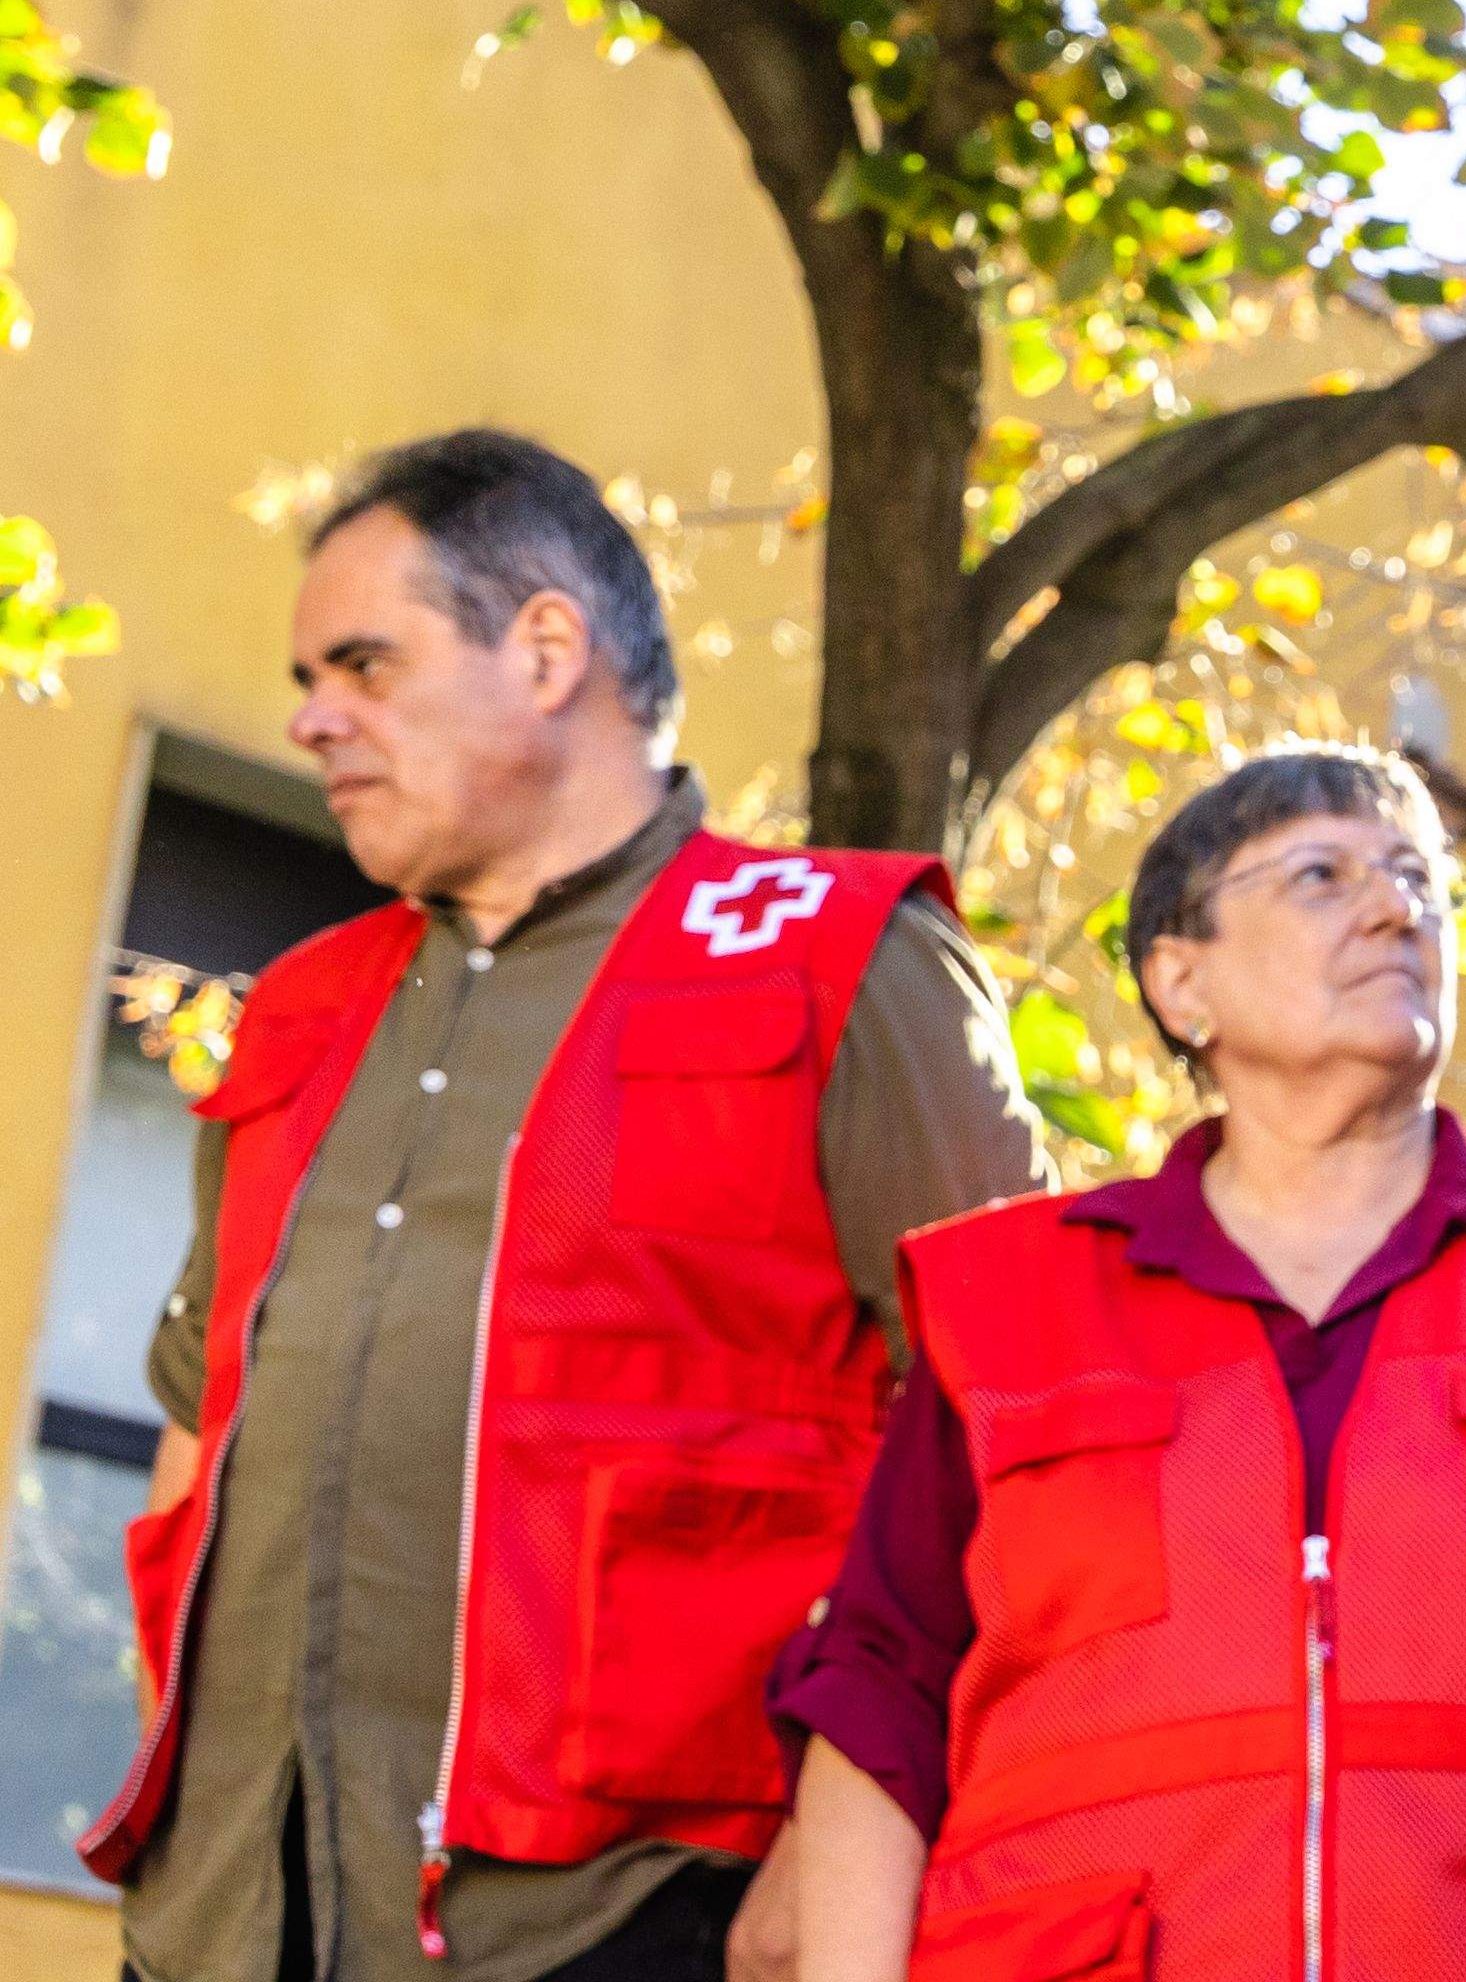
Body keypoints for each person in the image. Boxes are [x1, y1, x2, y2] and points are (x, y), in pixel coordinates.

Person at [86, 429, 1046, 1982]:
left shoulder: (848, 965)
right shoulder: (304, 1011)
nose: (311, 718)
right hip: (230, 1926)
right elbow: (201, 1429)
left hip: (637, 1924)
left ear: (545, 649)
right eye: (308, 678)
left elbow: (1018, 1447)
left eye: (365, 666)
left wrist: (838, 1861)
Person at [756, 745, 1466, 1977]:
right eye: (1321, 875)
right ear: (1179, 980)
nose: (1394, 909)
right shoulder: (1003, 1303)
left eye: (1420, 882)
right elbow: (880, 1697)